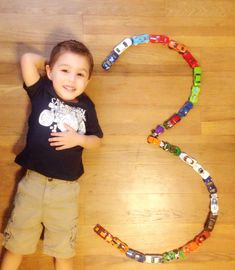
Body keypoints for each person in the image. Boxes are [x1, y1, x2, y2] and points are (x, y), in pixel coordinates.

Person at [0, 40, 103, 270]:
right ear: (49, 71)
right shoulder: (42, 91)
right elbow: (27, 59)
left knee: (63, 252)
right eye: (65, 70)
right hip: (33, 184)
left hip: (65, 191)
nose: (71, 79)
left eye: (80, 74)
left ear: (88, 81)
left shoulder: (87, 107)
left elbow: (97, 141)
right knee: (15, 246)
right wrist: (51, 64)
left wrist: (80, 139)